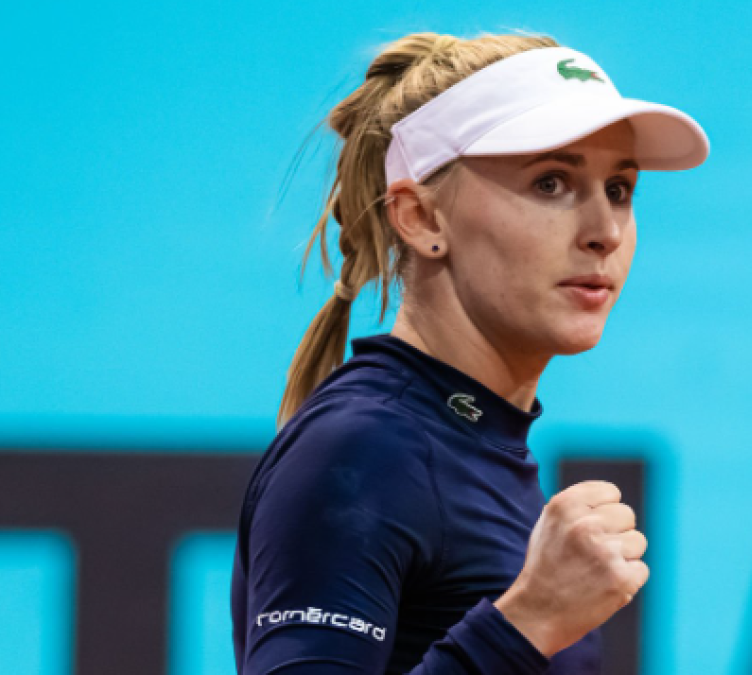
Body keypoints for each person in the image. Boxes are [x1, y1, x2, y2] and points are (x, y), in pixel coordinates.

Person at [230, 30, 709, 674]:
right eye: (550, 183)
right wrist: (528, 622)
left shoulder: (468, 439)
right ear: (422, 218)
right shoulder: (363, 447)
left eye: (619, 190)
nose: (604, 232)